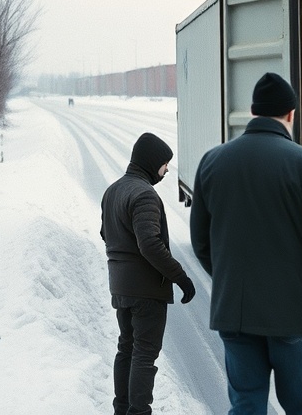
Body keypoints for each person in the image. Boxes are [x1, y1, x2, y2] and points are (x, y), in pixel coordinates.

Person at [189, 72, 302, 414]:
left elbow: (201, 243)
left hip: (234, 314)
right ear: (291, 115)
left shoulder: (212, 161)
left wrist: (230, 280)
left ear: (253, 111)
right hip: (293, 313)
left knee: (246, 405)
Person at [101, 132, 197, 415]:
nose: (167, 170)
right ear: (152, 162)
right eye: (165, 164)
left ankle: (122, 410)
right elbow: (150, 244)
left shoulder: (114, 190)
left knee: (126, 349)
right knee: (144, 354)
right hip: (146, 291)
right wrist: (181, 277)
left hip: (120, 287)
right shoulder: (144, 194)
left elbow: (107, 234)